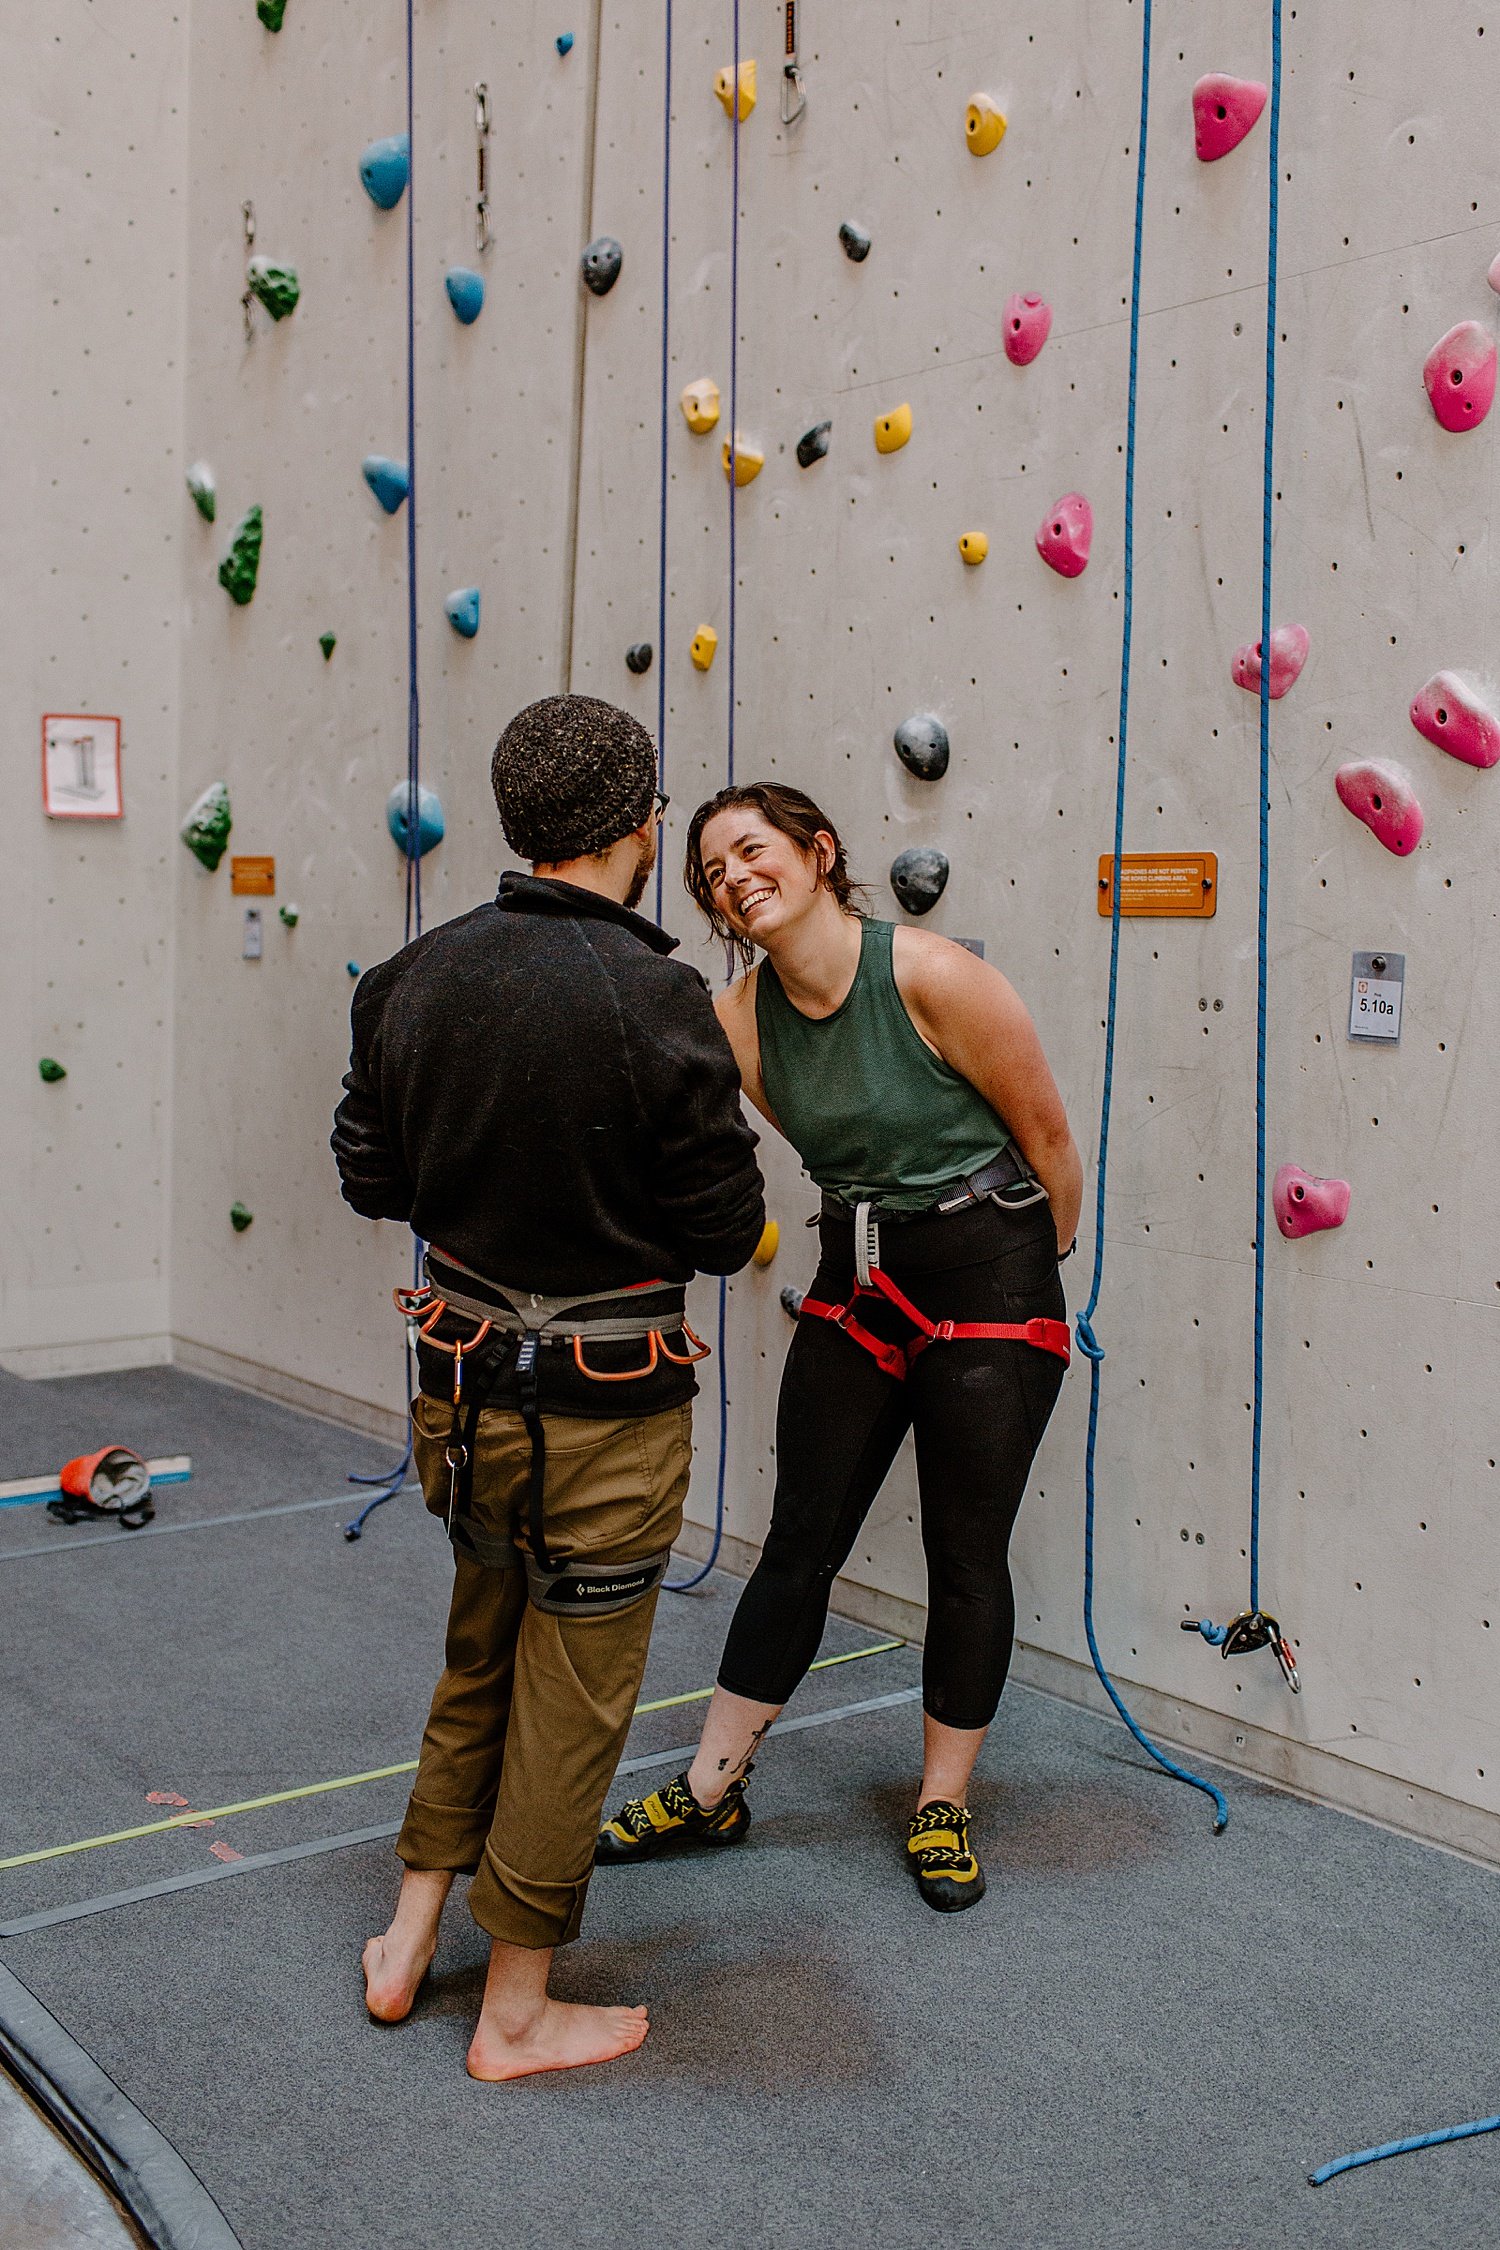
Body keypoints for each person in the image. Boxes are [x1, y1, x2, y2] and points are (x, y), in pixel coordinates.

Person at [331, 696, 765, 2077]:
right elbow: (717, 1230)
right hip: (605, 1414)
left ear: (522, 821)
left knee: (480, 1646)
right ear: (642, 823)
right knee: (574, 1695)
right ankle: (513, 2010)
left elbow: (371, 1178)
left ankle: (409, 1938)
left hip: (457, 1399)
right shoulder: (659, 998)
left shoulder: (407, 978)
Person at [598, 783, 1082, 1911]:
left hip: (991, 1279)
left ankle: (942, 1808)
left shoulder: (930, 975)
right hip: (854, 1276)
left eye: (752, 851)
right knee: (798, 1541)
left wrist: (1023, 1300)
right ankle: (713, 1789)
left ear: (820, 853)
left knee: (967, 1557)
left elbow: (1051, 1146)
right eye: (712, 871)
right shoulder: (736, 1022)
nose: (732, 878)